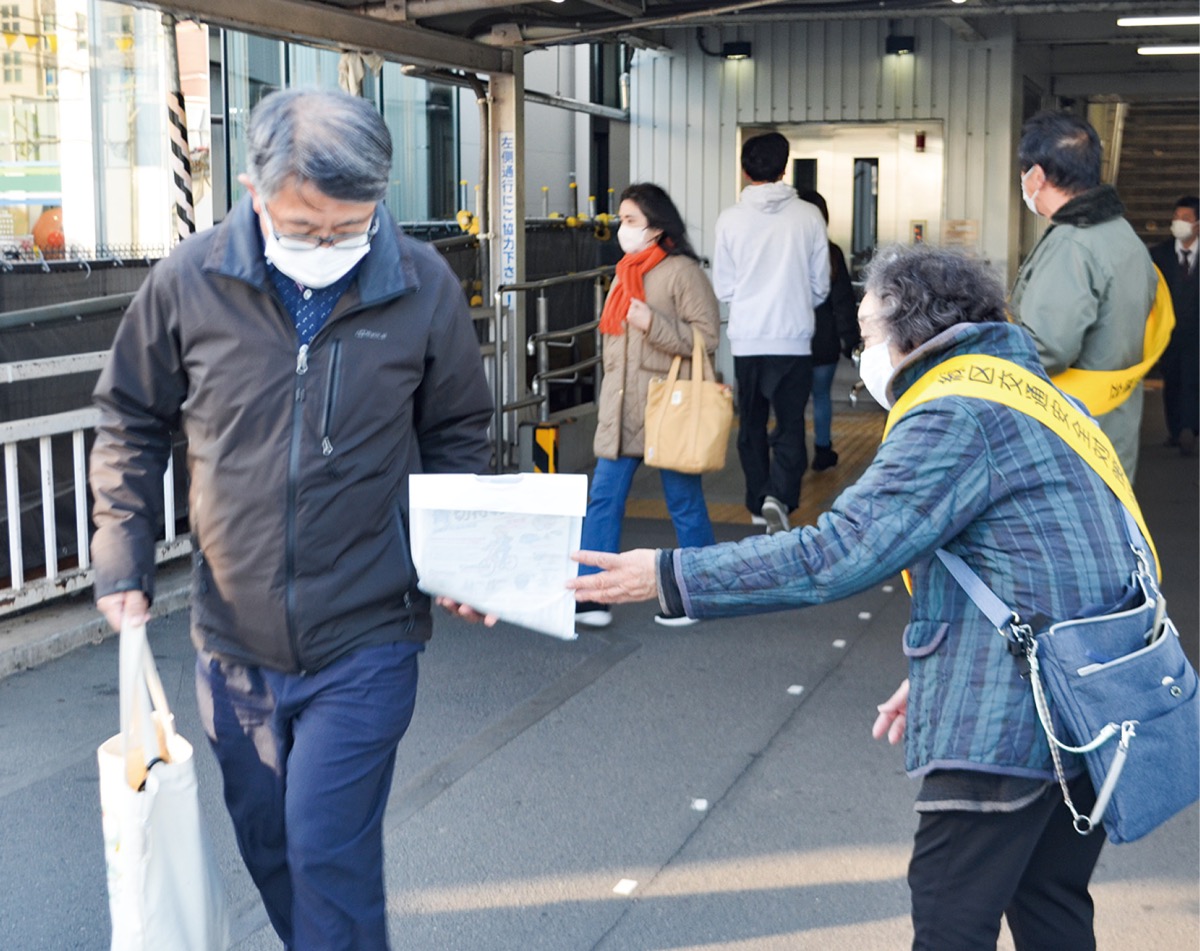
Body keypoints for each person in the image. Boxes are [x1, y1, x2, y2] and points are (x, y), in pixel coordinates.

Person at [571, 244, 1139, 950]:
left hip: (1010, 724)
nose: (862, 354)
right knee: (1050, 903)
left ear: (911, 331)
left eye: (867, 335)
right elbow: (1067, 560)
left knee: (949, 918)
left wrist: (668, 575)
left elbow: (835, 552)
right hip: (1092, 700)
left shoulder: (953, 411)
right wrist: (948, 661)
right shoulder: (1038, 396)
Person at [89, 88, 494, 950]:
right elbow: (129, 417)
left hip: (369, 633)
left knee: (325, 849)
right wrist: (121, 554)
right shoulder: (190, 280)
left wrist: (465, 557)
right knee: (271, 846)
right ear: (253, 190)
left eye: (350, 227)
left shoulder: (420, 283)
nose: (328, 246)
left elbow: (458, 429)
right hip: (232, 640)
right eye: (305, 226)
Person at [574, 183, 721, 630]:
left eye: (631, 220)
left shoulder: (682, 273)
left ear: (656, 227)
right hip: (621, 412)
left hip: (666, 410)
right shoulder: (624, 272)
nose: (622, 228)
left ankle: (703, 593)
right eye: (621, 219)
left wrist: (652, 322)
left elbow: (707, 338)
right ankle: (592, 595)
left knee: (684, 502)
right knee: (603, 500)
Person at [1010, 110, 1157, 480]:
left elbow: (1047, 348)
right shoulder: (1123, 235)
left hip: (1071, 439)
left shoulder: (1073, 244)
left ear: (1037, 175)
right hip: (1113, 430)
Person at [714, 132, 830, 534]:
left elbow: (724, 288)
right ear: (784, 169)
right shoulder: (809, 217)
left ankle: (756, 502)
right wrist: (793, 302)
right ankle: (779, 497)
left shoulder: (729, 219)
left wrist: (751, 301)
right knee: (790, 424)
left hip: (747, 339)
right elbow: (820, 286)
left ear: (745, 172)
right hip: (793, 340)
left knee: (750, 424)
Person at [798, 189, 860, 471]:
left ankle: (794, 452)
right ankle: (823, 450)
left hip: (793, 340)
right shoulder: (832, 252)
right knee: (821, 395)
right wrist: (850, 339)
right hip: (824, 339)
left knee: (794, 401)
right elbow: (843, 301)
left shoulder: (788, 252)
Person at [1149, 195, 1199, 456]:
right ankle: (1176, 428)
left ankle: (1189, 428)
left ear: (1198, 224)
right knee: (1173, 379)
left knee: (1193, 378)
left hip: (1197, 332)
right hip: (1168, 331)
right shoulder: (1159, 254)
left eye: (1186, 218)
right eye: (1176, 217)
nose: (1179, 222)